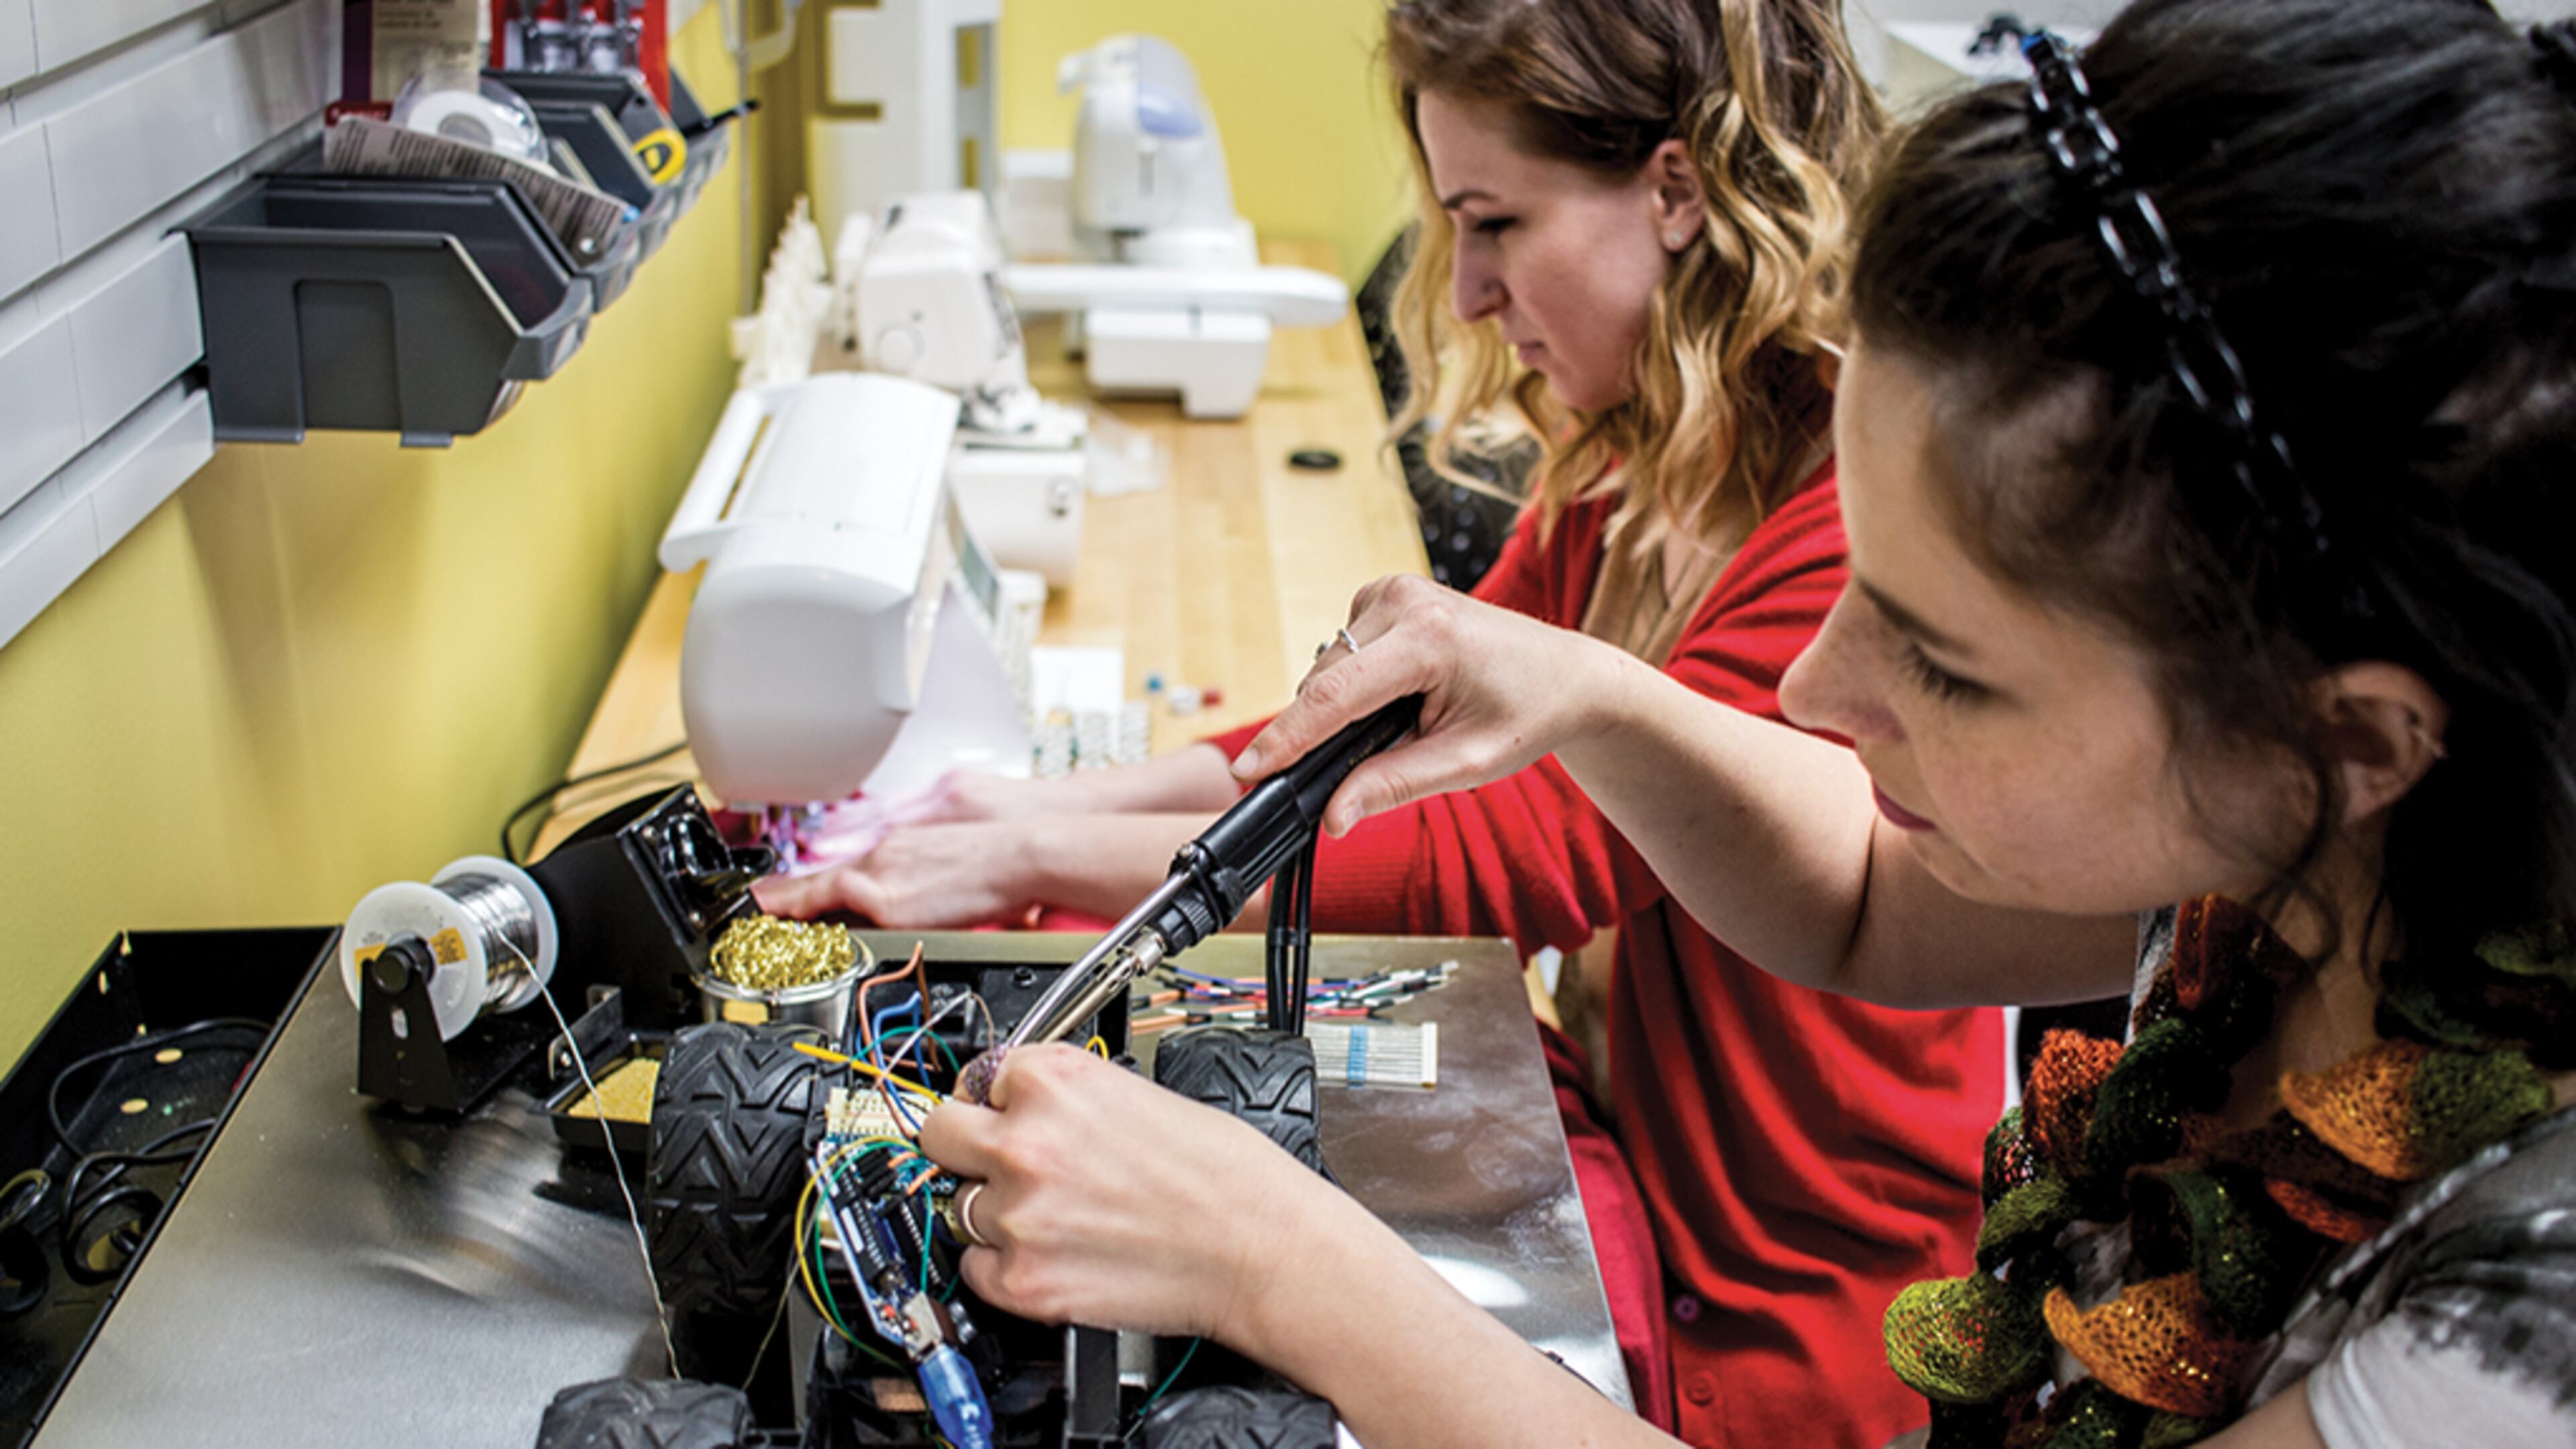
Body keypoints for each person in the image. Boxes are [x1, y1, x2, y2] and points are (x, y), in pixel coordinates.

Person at [912, 1, 2576, 1446]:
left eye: (1946, 661)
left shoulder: (2516, 1330)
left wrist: (1282, 1263)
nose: (1812, 694)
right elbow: (1853, 892)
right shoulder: (2304, 860)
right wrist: (1593, 689)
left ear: (2349, 743)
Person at [763, 2, 2004, 1442]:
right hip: (1625, 1159)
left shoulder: (1835, 536)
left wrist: (1028, 854)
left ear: (1677, 189)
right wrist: (1038, 811)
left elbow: (1509, 852)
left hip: (1770, 1335)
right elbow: (1373, 729)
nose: (1467, 292)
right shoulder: (1639, 474)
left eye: (1496, 222)